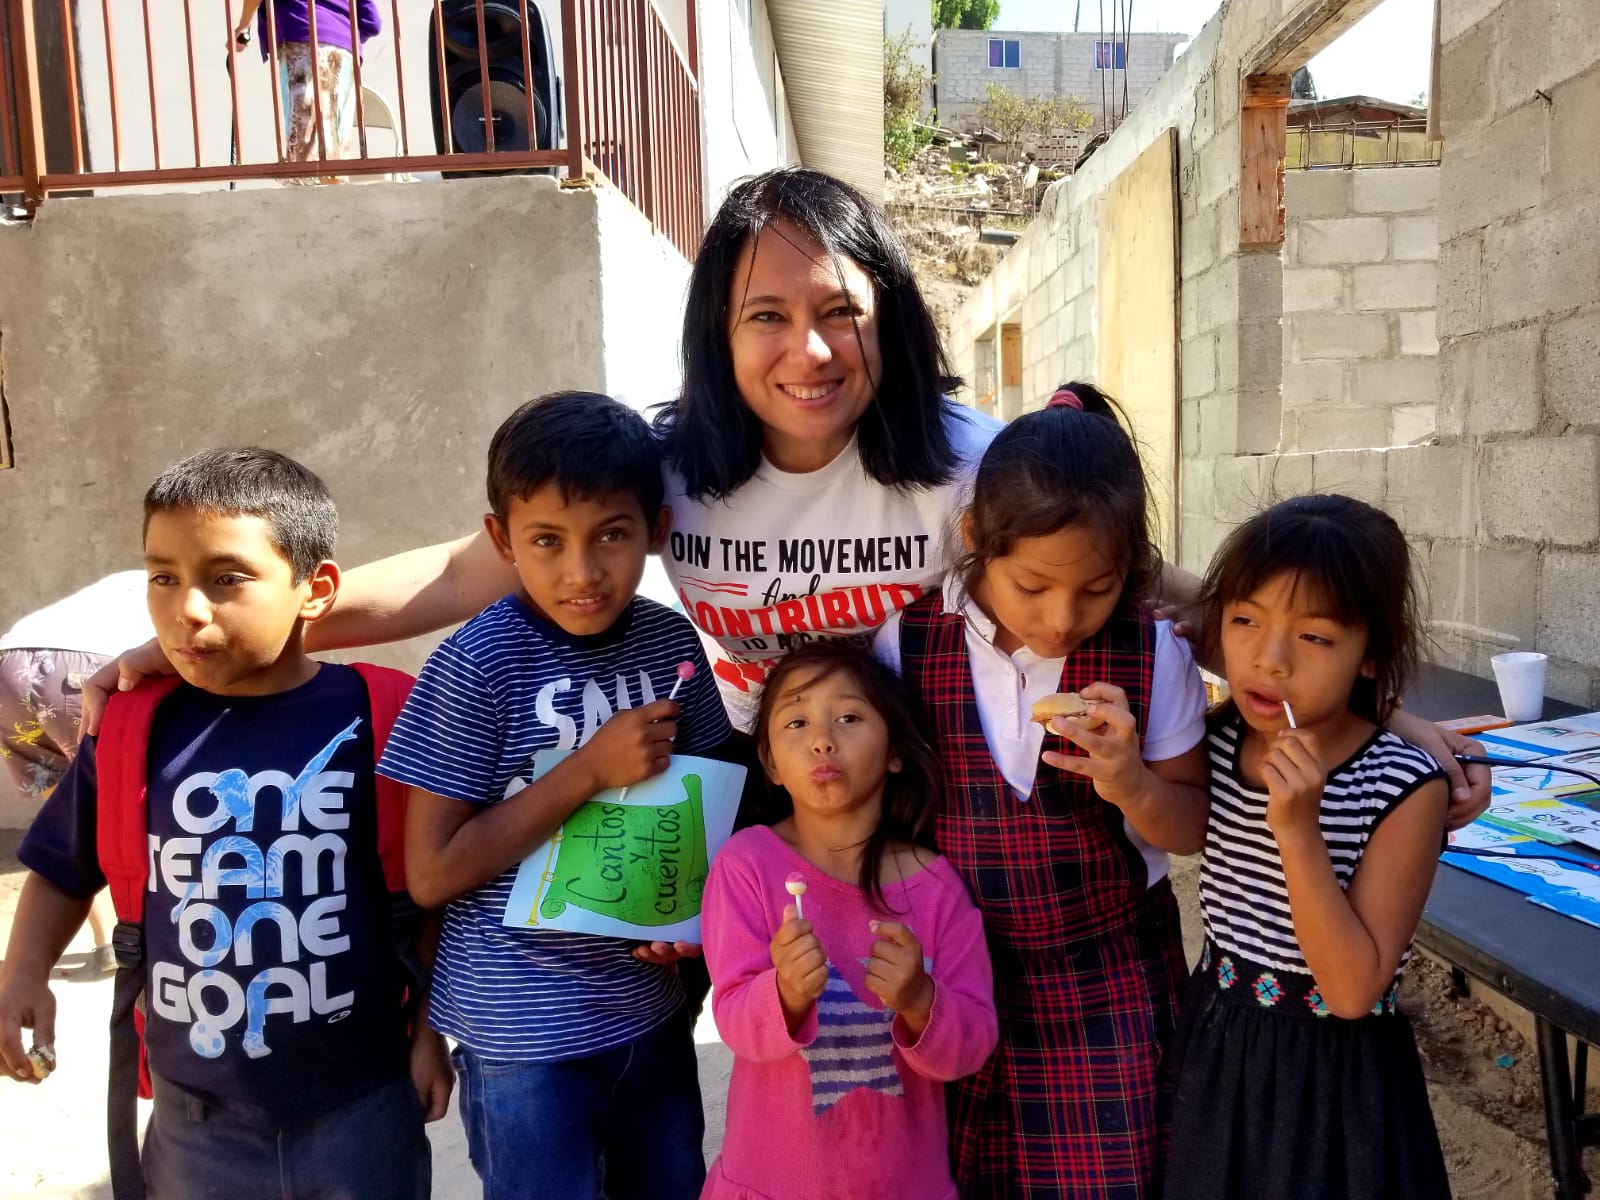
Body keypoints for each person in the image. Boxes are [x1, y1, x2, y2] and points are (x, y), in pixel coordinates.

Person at [0, 448, 448, 1199]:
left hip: (362, 1102)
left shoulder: (381, 718)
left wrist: (430, 1033)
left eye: (227, 578)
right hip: (194, 1121)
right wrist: (22, 973)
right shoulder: (131, 729)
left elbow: (435, 902)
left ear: (316, 590)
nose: (188, 609)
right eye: (163, 577)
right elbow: (60, 867)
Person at [377, 392, 733, 1200]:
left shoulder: (669, 642)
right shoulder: (476, 665)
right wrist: (587, 771)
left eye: (612, 534)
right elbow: (432, 873)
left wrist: (691, 920)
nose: (582, 572)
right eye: (547, 540)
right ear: (502, 538)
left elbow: (708, 799)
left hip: (649, 1009)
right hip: (520, 1036)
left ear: (656, 528)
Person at [872, 385, 1209, 1198]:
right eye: (1032, 586)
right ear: (975, 540)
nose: (1062, 619)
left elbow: (1192, 825)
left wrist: (1131, 782)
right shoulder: (906, 645)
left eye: (1096, 589)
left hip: (1114, 986)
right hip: (962, 980)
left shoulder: (1152, 654)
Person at [1163, 493, 1451, 1199]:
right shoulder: (1216, 741)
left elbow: (1352, 990)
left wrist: (1298, 832)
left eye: (1315, 637)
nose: (1270, 660)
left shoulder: (1403, 786)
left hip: (1336, 1085)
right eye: (1244, 621)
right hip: (1218, 1049)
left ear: (1371, 653)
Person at [699, 641, 998, 1200]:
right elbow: (734, 1019)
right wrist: (785, 994)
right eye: (796, 722)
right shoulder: (746, 866)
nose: (822, 739)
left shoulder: (936, 886)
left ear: (895, 751)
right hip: (770, 1185)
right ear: (770, 762)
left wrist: (920, 1000)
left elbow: (972, 1046)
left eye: (849, 717)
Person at [1, 571, 153, 974]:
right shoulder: (191, 585)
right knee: (110, 810)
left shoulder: (137, 577)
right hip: (81, 664)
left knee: (71, 820)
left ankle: (104, 946)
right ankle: (130, 938)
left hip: (7, 668)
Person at [232, 0, 383, 182]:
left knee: (303, 148)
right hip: (346, 50)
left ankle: (304, 192)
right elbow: (373, 22)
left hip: (302, 35)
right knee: (335, 150)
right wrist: (341, 34)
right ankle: (335, 194)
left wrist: (243, 26)